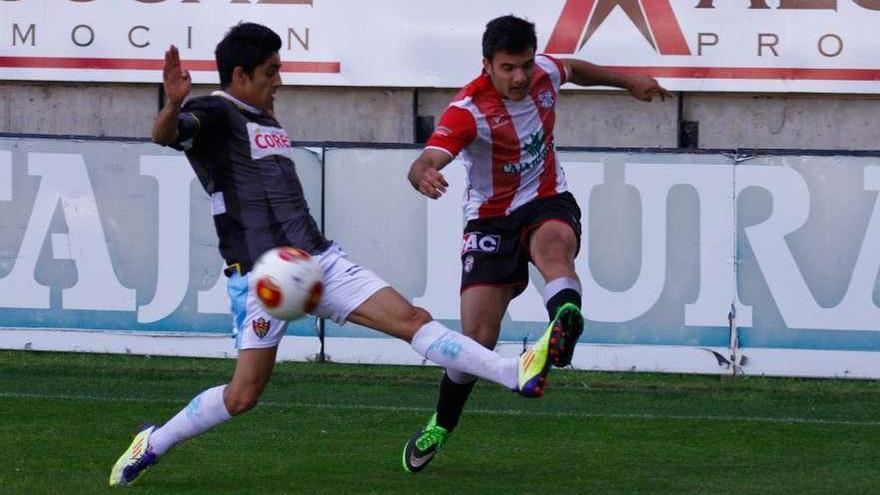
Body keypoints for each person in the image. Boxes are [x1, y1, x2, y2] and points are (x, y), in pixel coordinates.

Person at [108, 22, 572, 487]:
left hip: (317, 260)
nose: (280, 82)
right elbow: (168, 135)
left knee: (412, 318)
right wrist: (171, 106)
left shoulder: (266, 120)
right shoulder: (215, 112)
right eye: (271, 72)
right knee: (243, 395)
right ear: (241, 75)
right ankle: (155, 441)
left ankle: (515, 371)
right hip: (264, 278)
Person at [401, 15, 672, 473]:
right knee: (477, 340)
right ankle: (441, 424)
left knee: (554, 247)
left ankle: (562, 327)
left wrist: (627, 82)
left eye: (525, 64)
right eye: (508, 67)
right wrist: (422, 173)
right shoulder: (467, 110)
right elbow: (430, 156)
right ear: (486, 65)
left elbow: (575, 69)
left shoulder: (545, 72)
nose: (520, 77)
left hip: (546, 197)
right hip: (489, 220)